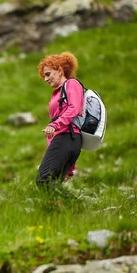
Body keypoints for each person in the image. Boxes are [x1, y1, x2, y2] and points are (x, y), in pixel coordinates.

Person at [36, 52, 83, 192]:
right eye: (44, 76)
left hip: (68, 137)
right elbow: (54, 134)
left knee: (43, 179)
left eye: (48, 74)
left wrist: (54, 125)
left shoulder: (71, 84)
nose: (45, 79)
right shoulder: (56, 93)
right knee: (49, 184)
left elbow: (74, 108)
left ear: (60, 71)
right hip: (64, 140)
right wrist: (69, 168)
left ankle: (77, 205)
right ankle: (67, 209)